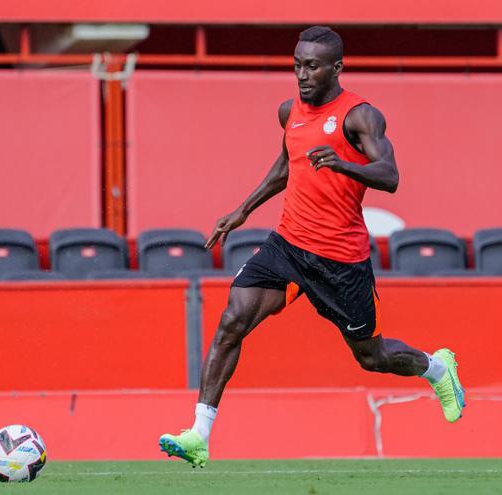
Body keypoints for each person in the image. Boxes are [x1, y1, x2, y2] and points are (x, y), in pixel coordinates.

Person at [159, 26, 465, 468]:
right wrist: (242, 210)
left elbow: (391, 176)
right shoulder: (291, 112)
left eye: (313, 66)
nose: (302, 74)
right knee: (232, 320)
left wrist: (343, 163)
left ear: (336, 68)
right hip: (287, 244)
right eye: (297, 64)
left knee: (372, 358)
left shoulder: (361, 117)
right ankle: (199, 434)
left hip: (341, 259)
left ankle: (437, 369)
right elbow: (287, 165)